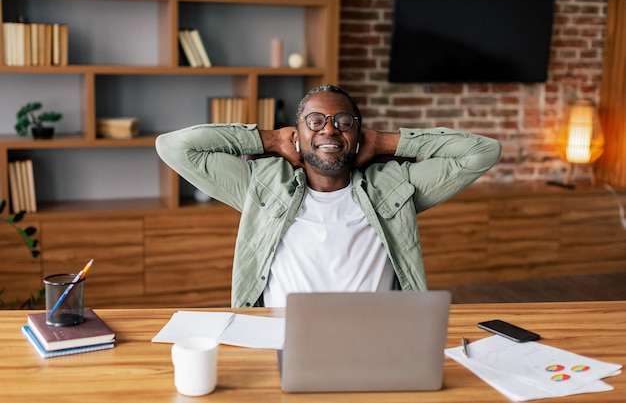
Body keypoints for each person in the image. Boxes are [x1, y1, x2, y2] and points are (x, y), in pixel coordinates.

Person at [155, 84, 502, 307]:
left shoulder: (394, 186)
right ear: (298, 134)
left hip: (377, 339)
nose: (330, 128)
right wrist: (271, 140)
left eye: (343, 121)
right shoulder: (260, 185)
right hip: (282, 337)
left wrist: (385, 142)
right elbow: (173, 147)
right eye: (315, 121)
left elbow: (481, 152)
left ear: (358, 133)